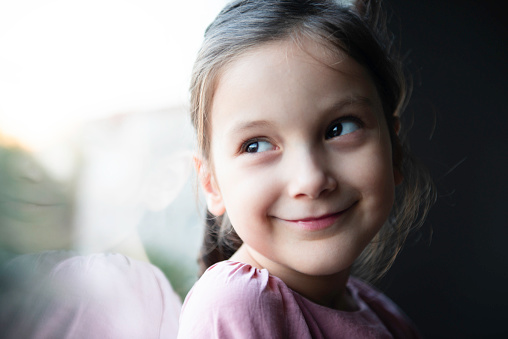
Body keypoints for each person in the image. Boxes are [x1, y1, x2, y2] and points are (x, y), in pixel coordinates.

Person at [177, 0, 435, 338]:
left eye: (339, 128)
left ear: (394, 151)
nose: (311, 180)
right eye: (256, 145)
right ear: (212, 184)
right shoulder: (232, 304)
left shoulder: (384, 316)